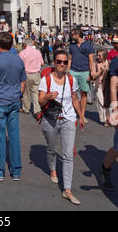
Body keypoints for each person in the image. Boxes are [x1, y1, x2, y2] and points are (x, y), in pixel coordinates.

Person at [38, 49, 85, 205]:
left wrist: (81, 115)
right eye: (59, 62)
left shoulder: (71, 79)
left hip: (68, 119)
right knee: (51, 149)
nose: (62, 65)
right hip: (50, 119)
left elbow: (75, 99)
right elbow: (40, 102)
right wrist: (47, 96)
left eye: (65, 62)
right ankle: (52, 168)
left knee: (68, 156)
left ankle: (67, 189)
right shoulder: (46, 79)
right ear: (54, 62)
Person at [0, 32, 26, 181]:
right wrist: (18, 95)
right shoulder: (19, 60)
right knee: (14, 136)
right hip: (14, 101)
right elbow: (23, 83)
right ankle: (16, 171)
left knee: (0, 137)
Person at [99, 55, 118, 191]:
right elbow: (113, 87)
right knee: (117, 148)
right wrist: (114, 110)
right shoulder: (117, 61)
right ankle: (105, 169)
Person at [67, 28, 95, 123]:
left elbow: (91, 60)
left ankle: (82, 116)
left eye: (72, 34)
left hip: (84, 72)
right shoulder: (72, 45)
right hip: (73, 71)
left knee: (84, 94)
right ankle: (75, 113)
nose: (71, 36)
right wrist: (67, 71)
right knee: (72, 93)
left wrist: (91, 73)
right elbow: (70, 59)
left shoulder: (88, 45)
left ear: (77, 34)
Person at [19, 39, 44, 117]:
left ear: (25, 44)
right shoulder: (37, 52)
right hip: (36, 74)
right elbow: (42, 63)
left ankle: (26, 108)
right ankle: (37, 109)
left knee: (26, 93)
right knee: (36, 92)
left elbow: (20, 65)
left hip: (26, 74)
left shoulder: (22, 53)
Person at [91, 49, 109, 126]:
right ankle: (105, 120)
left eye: (100, 55)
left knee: (107, 102)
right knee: (101, 102)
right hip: (98, 85)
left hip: (107, 85)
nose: (98, 57)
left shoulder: (108, 62)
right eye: (97, 55)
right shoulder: (95, 64)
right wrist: (100, 71)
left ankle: (108, 118)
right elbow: (93, 76)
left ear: (104, 56)